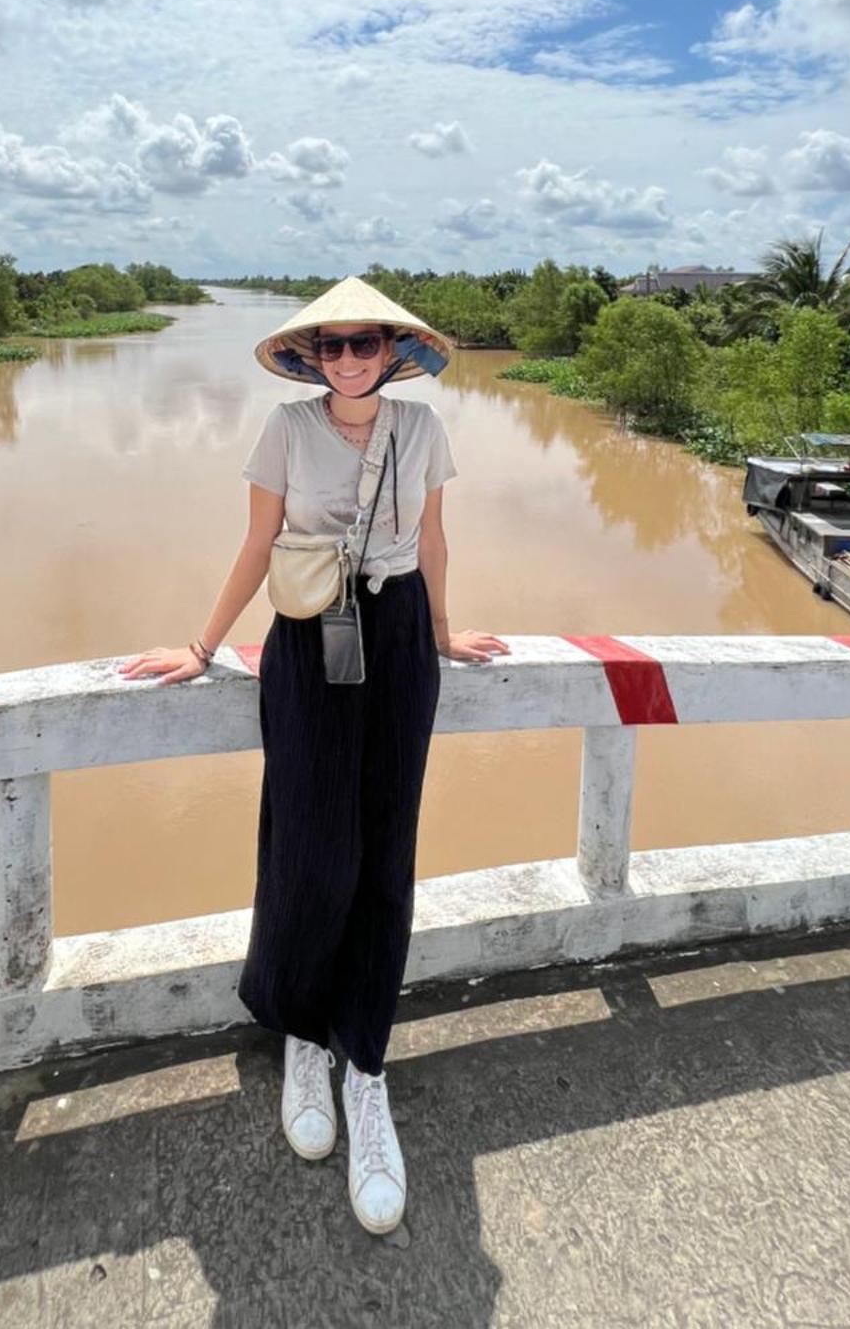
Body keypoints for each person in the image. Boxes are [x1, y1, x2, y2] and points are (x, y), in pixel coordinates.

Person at [118, 276, 508, 1235]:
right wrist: (204, 647)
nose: (347, 360)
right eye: (329, 347)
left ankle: (365, 1065)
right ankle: (301, 1032)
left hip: (401, 636)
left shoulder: (422, 431)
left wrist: (446, 630)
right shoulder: (285, 431)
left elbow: (435, 536)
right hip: (306, 637)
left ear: (392, 350)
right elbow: (258, 543)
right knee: (308, 842)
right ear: (309, 357)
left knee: (385, 851)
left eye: (362, 344)